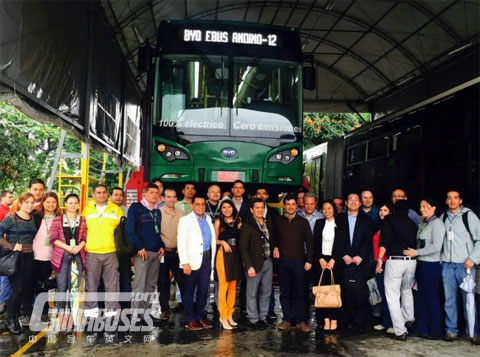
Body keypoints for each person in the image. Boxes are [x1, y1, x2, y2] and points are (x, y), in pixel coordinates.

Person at [439, 190, 480, 343]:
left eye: (456, 198)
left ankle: (472, 332)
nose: (452, 201)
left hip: (465, 265)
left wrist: (473, 259)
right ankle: (451, 330)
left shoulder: (469, 216)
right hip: (447, 266)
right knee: (449, 300)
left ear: (460, 200)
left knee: (468, 299)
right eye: (449, 198)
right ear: (446, 201)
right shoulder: (443, 217)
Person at [82, 184, 123, 329]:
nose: (101, 195)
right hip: (92, 253)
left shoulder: (116, 210)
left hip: (111, 253)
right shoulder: (86, 211)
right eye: (98, 192)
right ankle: (91, 316)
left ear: (107, 194)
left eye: (104, 192)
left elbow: (122, 233)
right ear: (93, 194)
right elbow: (82, 231)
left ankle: (111, 316)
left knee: (111, 286)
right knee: (91, 286)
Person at [403, 197, 445, 339]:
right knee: (421, 297)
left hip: (431, 265)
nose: (422, 209)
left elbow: (436, 247)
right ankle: (422, 328)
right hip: (420, 263)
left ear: (434, 208)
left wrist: (417, 252)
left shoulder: (437, 224)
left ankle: (435, 330)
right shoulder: (423, 223)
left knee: (431, 297)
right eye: (421, 207)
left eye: (426, 206)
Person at [376, 200, 418, 341]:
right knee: (406, 290)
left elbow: (384, 241)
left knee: (392, 295)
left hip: (395, 261)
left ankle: (400, 330)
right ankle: (409, 318)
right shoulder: (413, 224)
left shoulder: (390, 220)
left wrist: (380, 260)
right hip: (411, 262)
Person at [273, 194, 313, 333]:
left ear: (297, 206)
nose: (290, 207)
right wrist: (276, 247)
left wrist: (309, 260)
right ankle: (287, 319)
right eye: (288, 204)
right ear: (284, 206)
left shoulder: (303, 222)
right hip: (283, 261)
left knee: (300, 292)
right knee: (285, 292)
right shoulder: (278, 221)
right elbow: (273, 238)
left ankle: (301, 321)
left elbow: (309, 242)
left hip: (299, 262)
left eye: (293, 204)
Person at [126, 184, 164, 321]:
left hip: (155, 253)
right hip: (142, 252)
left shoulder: (157, 212)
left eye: (157, 193)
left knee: (150, 285)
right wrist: (139, 247)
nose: (154, 195)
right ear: (145, 194)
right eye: (152, 192)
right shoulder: (136, 208)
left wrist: (162, 246)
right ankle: (136, 315)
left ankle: (146, 314)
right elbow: (130, 230)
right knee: (139, 285)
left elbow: (157, 232)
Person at [177, 195, 216, 330]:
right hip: (191, 261)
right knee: (189, 291)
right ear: (192, 206)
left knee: (203, 290)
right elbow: (181, 243)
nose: (200, 206)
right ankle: (190, 319)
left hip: (206, 259)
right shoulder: (185, 220)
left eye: (202, 204)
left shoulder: (208, 219)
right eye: (197, 204)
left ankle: (200, 317)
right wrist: (184, 262)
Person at [0, 193, 36, 334]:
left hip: (29, 258)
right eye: (26, 202)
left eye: (32, 202)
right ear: (20, 202)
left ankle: (15, 318)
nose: (29, 205)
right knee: (18, 288)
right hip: (15, 257)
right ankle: (10, 320)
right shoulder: (11, 217)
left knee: (24, 288)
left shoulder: (32, 218)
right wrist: (11, 246)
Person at [337, 193, 373, 332]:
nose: (353, 202)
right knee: (344, 291)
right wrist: (344, 254)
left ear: (360, 203)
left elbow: (368, 240)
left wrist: (360, 256)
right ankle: (344, 322)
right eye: (350, 200)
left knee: (360, 293)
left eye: (356, 200)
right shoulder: (339, 219)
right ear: (346, 203)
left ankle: (359, 323)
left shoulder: (367, 220)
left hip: (360, 262)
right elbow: (337, 239)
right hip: (343, 260)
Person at [49, 193, 86, 329]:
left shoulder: (82, 220)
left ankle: (71, 315)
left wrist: (78, 247)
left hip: (77, 257)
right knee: (62, 286)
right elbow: (53, 238)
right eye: (70, 203)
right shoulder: (58, 220)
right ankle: (62, 316)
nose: (73, 205)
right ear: (65, 204)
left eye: (75, 203)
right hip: (62, 256)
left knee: (74, 288)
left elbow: (84, 238)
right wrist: (67, 247)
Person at [240, 198, 275, 330]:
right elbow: (243, 248)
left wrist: (275, 248)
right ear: (251, 210)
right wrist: (248, 266)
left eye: (262, 207)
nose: (260, 210)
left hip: (267, 261)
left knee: (266, 292)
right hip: (254, 264)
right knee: (252, 293)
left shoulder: (268, 223)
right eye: (257, 208)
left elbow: (272, 240)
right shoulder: (247, 226)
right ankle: (253, 319)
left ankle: (263, 317)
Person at [29, 192, 62, 324]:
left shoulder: (59, 217)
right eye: (48, 202)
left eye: (53, 202)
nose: (50, 205)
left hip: (51, 256)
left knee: (44, 285)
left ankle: (43, 312)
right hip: (35, 255)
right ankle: (34, 312)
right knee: (34, 285)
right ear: (43, 202)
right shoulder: (36, 216)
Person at [313, 200, 342, 332]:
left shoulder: (340, 224)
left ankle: (334, 320)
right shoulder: (319, 223)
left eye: (329, 208)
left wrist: (334, 259)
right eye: (324, 209)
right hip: (321, 261)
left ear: (334, 209)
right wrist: (319, 258)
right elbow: (315, 243)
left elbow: (342, 243)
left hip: (335, 261)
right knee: (322, 291)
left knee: (334, 291)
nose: (327, 211)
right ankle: (325, 320)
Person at [158, 187, 185, 322]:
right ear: (163, 198)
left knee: (183, 281)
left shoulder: (181, 214)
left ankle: (187, 308)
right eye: (168, 197)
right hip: (163, 253)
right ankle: (164, 310)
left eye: (173, 197)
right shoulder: (158, 213)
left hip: (178, 253)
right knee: (163, 283)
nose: (171, 199)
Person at [214, 199, 242, 330]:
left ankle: (230, 314)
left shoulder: (238, 221)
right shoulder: (219, 222)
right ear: (221, 209)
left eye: (229, 207)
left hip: (235, 254)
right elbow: (214, 239)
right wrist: (222, 242)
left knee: (233, 286)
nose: (226, 209)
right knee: (223, 286)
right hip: (223, 254)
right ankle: (223, 316)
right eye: (224, 207)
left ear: (233, 208)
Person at [254, 187, 279, 321]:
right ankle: (253, 314)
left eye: (264, 193)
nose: (261, 195)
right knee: (253, 288)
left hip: (269, 255)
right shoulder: (249, 214)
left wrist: (276, 247)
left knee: (267, 286)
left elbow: (275, 234)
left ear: (267, 196)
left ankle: (268, 311)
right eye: (259, 193)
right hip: (255, 257)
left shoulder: (274, 213)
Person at [372, 202, 394, 334]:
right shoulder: (378, 226)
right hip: (377, 263)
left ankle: (392, 322)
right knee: (382, 293)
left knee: (389, 294)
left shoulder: (391, 227)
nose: (382, 212)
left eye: (385, 210)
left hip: (387, 263)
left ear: (390, 213)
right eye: (381, 210)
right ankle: (385, 321)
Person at [110, 186, 132, 308]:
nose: (118, 197)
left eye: (120, 195)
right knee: (109, 281)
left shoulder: (127, 211)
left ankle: (125, 308)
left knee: (125, 280)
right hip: (109, 251)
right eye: (116, 195)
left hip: (123, 252)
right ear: (110, 196)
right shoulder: (105, 210)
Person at [0, 190, 14, 315]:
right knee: (5, 273)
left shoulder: (9, 210)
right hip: (4, 245)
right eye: (9, 197)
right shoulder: (2, 211)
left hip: (8, 245)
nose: (12, 199)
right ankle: (3, 301)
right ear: (3, 197)